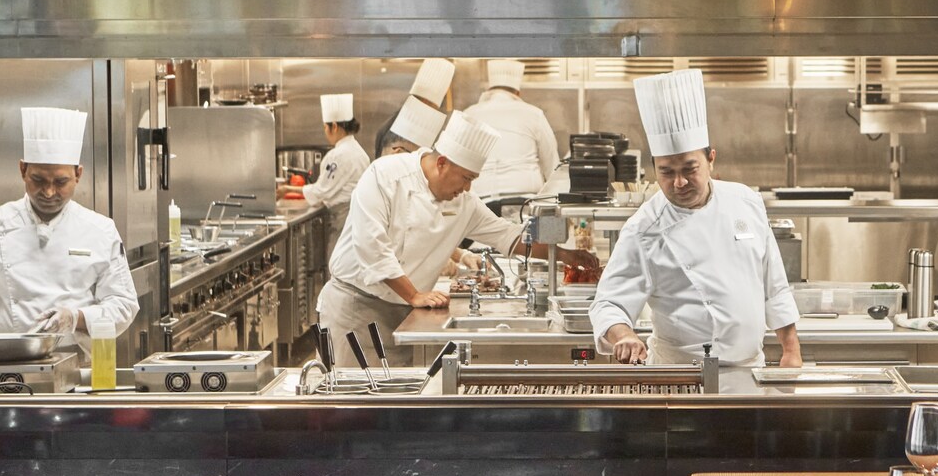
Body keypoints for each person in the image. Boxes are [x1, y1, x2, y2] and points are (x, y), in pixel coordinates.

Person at [318, 112, 596, 360]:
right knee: (354, 404)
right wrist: (414, 294)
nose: (467, 187)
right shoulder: (384, 176)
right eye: (466, 178)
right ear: (442, 163)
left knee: (395, 404)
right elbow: (372, 247)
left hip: (404, 310)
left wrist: (566, 256)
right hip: (355, 307)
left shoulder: (464, 203)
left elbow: (509, 237)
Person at [589, 69, 802, 377]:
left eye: (690, 168)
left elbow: (774, 283)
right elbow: (608, 304)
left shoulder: (745, 201)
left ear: (711, 159)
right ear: (654, 169)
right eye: (666, 172)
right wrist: (624, 335)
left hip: (750, 370)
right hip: (677, 376)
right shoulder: (644, 228)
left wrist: (791, 350)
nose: (679, 182)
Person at [0, 107, 139, 350]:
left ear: (78, 174)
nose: (49, 192)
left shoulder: (100, 230)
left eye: (60, 182)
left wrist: (75, 318)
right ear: (23, 170)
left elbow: (123, 305)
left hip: (78, 364)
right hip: (8, 362)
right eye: (38, 180)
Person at [460, 59, 561, 199]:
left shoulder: (469, 114)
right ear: (517, 92)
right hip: (525, 202)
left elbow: (457, 163)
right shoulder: (533, 114)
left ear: (489, 90)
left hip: (480, 200)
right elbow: (553, 168)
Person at [279, 93, 371, 209]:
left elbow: (320, 192)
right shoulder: (360, 152)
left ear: (334, 126)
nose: (325, 132)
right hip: (355, 214)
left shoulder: (337, 155)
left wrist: (287, 189)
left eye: (325, 127)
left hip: (342, 216)